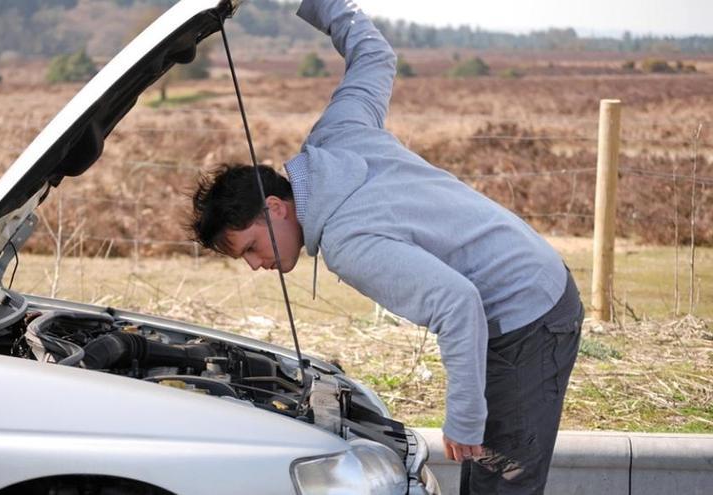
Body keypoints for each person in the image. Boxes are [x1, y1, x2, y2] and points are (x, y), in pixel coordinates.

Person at [187, 0, 583, 493]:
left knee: (500, 484)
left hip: (528, 314)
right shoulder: (338, 134)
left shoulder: (348, 242)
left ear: (275, 207)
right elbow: (374, 55)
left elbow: (458, 304)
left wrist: (463, 418)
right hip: (530, 277)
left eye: (250, 248)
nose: (254, 265)